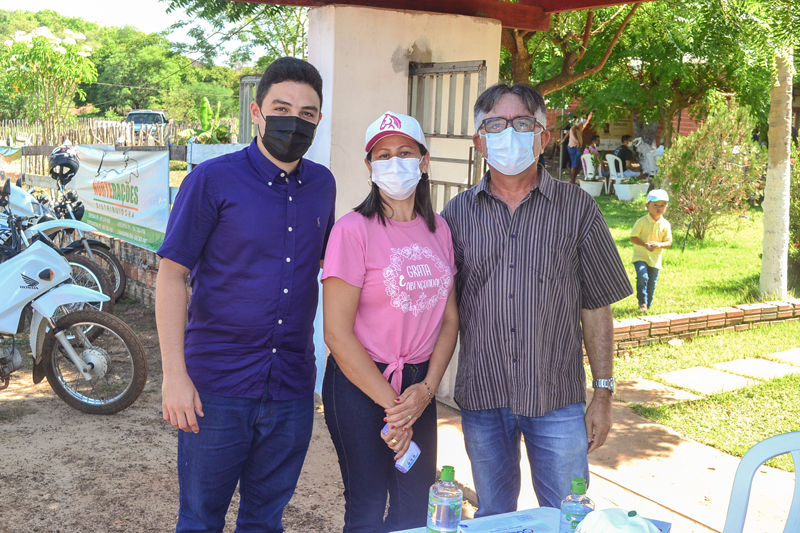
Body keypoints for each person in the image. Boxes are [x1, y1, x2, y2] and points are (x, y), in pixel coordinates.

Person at [155, 57, 336, 533]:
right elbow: (172, 277)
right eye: (281, 106)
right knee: (200, 519)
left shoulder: (323, 185)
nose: (293, 120)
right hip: (216, 386)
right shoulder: (212, 180)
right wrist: (174, 375)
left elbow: (333, 267)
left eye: (307, 113)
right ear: (257, 112)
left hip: (291, 387)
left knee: (266, 520)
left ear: (318, 119)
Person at [440, 83, 632, 516]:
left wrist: (602, 394)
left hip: (557, 400)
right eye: (495, 124)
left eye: (522, 123)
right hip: (483, 396)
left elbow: (597, 303)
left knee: (568, 516)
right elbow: (443, 310)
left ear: (544, 137)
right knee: (495, 518)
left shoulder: (577, 209)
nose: (509, 133)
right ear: (479, 141)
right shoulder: (456, 214)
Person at [322, 111, 459, 532]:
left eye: (404, 152)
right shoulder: (352, 231)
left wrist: (426, 390)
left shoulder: (440, 231)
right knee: (366, 506)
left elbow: (450, 319)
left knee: (414, 505)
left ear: (423, 160)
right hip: (362, 384)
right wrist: (394, 409)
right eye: (382, 155)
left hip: (419, 385)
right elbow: (337, 334)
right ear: (369, 166)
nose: (393, 162)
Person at [630, 189, 672, 313]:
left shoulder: (665, 224)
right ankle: (642, 303)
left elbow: (669, 242)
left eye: (662, 205)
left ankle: (649, 304)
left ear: (666, 206)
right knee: (643, 277)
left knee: (652, 282)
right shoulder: (641, 222)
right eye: (655, 205)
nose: (659, 208)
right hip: (640, 256)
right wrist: (645, 244)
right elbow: (633, 237)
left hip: (655, 259)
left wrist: (659, 244)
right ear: (647, 205)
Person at [563, 113, 592, 185]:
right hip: (575, 146)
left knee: (579, 165)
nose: (584, 118)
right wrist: (577, 141)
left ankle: (572, 180)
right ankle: (572, 181)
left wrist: (563, 140)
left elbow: (569, 132)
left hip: (575, 146)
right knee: (575, 165)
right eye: (583, 117)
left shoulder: (580, 124)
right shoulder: (578, 123)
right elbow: (572, 129)